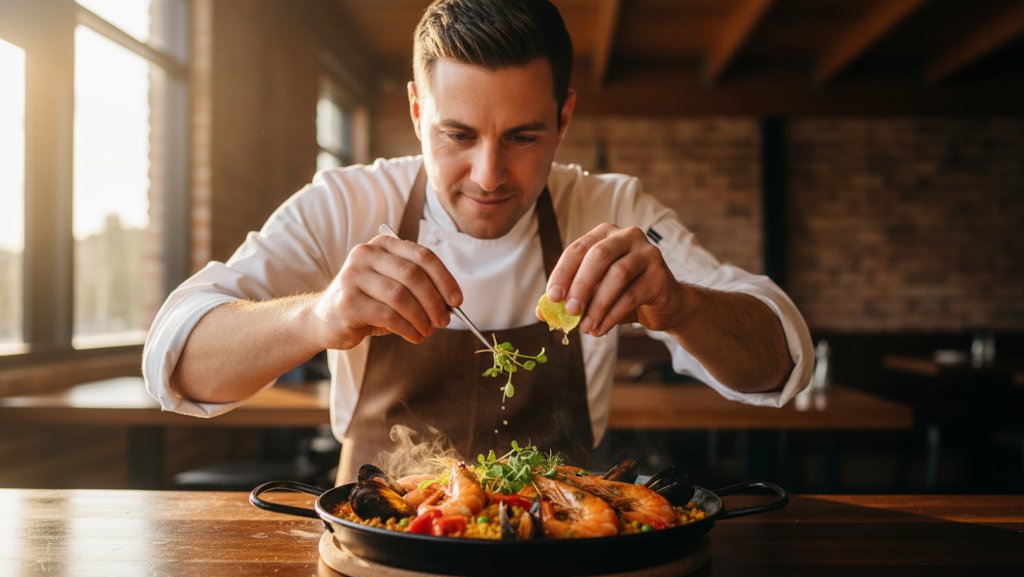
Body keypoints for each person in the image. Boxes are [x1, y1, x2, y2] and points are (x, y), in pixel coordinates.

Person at [143, 0, 813, 483]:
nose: (489, 177)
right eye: (458, 135)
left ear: (564, 117)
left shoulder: (611, 207)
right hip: (380, 549)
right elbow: (174, 359)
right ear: (415, 111)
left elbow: (783, 359)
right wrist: (319, 315)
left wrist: (683, 306)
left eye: (524, 137)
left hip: (564, 546)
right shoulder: (345, 204)